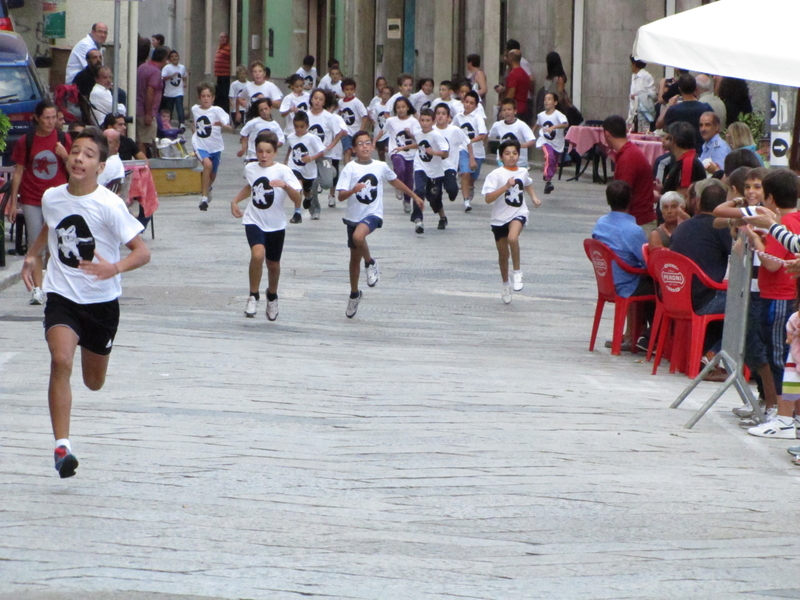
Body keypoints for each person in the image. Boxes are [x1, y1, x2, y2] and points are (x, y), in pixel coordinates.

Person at [20, 127, 151, 478]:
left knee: (94, 382)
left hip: (102, 303)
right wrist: (33, 255)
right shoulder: (52, 197)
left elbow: (142, 252)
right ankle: (62, 446)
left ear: (100, 166)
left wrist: (115, 267)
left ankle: (92, 369)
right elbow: (51, 225)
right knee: (60, 359)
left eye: (88, 154)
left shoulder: (109, 205)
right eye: (75, 151)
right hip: (62, 296)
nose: (79, 158)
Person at [671, 183, 777, 394]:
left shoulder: (683, 225)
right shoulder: (721, 226)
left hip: (676, 295)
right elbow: (737, 250)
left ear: (697, 202)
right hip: (704, 296)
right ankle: (713, 354)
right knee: (741, 311)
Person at [335, 131, 423, 318]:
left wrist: (414, 196)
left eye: (368, 143)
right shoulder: (349, 168)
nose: (365, 146)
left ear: (373, 146)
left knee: (358, 236)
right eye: (360, 144)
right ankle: (354, 294)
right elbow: (340, 195)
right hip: (353, 216)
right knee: (353, 258)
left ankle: (371, 262)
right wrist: (353, 190)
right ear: (354, 148)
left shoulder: (380, 166)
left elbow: (395, 181)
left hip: (373, 214)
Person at [742, 169, 800, 438]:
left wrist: (756, 240)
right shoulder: (793, 220)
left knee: (782, 359)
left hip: (779, 297)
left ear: (771, 199)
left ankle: (783, 414)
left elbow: (771, 263)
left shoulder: (787, 222)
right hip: (788, 297)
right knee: (788, 360)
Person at [230, 131, 302, 321]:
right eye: (260, 151)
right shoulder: (251, 168)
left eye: (268, 152)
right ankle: (253, 295)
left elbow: (298, 199)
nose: (263, 156)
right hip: (254, 220)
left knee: (273, 264)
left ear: (275, 152)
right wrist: (235, 201)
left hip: (276, 224)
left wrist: (285, 186)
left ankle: (272, 295)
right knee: (257, 254)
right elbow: (252, 186)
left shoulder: (284, 171)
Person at [5, 100, 71, 305]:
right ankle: (37, 288)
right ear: (37, 118)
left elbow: (75, 168)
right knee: (35, 243)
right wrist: (13, 203)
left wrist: (65, 155)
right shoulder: (27, 140)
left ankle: (52, 285)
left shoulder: (63, 138)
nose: (51, 122)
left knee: (55, 244)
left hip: (58, 198)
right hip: (32, 197)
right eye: (46, 118)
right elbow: (18, 171)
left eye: (54, 117)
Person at [483, 139, 541, 304]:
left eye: (515, 153)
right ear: (501, 156)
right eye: (507, 154)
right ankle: (505, 283)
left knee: (512, 238)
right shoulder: (495, 175)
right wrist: (505, 187)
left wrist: (534, 198)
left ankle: (517, 272)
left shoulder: (522, 171)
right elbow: (488, 198)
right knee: (502, 254)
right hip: (499, 217)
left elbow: (527, 184)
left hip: (518, 213)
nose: (511, 157)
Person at [592, 180, 652, 298]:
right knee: (663, 288)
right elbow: (648, 261)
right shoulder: (634, 231)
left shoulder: (600, 223)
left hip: (606, 282)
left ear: (608, 200)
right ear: (630, 200)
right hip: (628, 285)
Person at [602, 115, 657, 234]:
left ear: (606, 134)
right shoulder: (630, 153)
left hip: (638, 223)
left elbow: (622, 198)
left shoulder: (628, 158)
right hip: (638, 221)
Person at [305, 88, 347, 219]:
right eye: (315, 98)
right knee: (313, 183)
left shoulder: (329, 117)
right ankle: (315, 209)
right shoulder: (306, 115)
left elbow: (339, 133)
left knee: (327, 183)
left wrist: (331, 146)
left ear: (324, 102)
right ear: (311, 99)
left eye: (321, 99)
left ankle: (332, 171)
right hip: (310, 156)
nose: (317, 101)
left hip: (325, 155)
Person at [376, 96, 421, 215]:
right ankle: (398, 186)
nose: (401, 110)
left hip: (410, 153)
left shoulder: (413, 121)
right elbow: (383, 131)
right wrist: (374, 140)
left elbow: (418, 138)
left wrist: (409, 134)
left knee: (409, 177)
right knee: (399, 168)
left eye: (403, 107)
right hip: (396, 151)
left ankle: (407, 200)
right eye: (398, 107)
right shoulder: (391, 121)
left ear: (407, 108)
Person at [191, 82, 232, 211]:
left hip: (215, 147)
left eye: (209, 96)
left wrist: (224, 126)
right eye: (203, 96)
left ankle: (207, 187)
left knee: (212, 174)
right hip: (200, 145)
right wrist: (195, 133)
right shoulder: (194, 109)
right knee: (207, 165)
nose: (206, 98)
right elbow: (194, 123)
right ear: (199, 97)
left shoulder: (217, 110)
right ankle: (203, 199)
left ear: (213, 97)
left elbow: (228, 125)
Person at [411, 108, 450, 233]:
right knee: (419, 190)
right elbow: (417, 144)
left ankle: (442, 217)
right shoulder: (418, 134)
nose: (424, 123)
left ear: (433, 122)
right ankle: (418, 220)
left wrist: (433, 152)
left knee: (434, 198)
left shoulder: (437, 135)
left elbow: (445, 153)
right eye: (422, 120)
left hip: (435, 172)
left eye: (428, 120)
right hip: (420, 167)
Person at [284, 111, 326, 224]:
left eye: (301, 127)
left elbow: (322, 152)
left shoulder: (312, 138)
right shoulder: (291, 137)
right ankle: (297, 213)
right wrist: (286, 160)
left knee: (307, 190)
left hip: (309, 170)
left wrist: (311, 158)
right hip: (295, 167)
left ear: (307, 126)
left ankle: (308, 197)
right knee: (298, 187)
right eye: (296, 127)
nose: (299, 129)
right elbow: (291, 148)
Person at [657, 74, 713, 152]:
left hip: (680, 152)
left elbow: (658, 124)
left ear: (680, 89)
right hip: (701, 151)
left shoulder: (674, 110)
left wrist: (669, 105)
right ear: (695, 88)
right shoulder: (706, 108)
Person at [434, 103, 472, 207]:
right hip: (434, 167)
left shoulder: (455, 130)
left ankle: (452, 191)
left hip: (449, 166)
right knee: (435, 194)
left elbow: (468, 142)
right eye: (438, 113)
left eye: (443, 113)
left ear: (448, 117)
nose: (440, 116)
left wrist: (471, 159)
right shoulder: (431, 130)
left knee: (452, 189)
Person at [453, 91, 486, 208]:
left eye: (471, 103)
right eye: (466, 102)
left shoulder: (478, 118)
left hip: (478, 152)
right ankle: (466, 201)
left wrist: (470, 141)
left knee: (473, 177)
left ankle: (470, 186)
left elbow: (482, 135)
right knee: (465, 173)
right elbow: (453, 130)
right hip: (463, 150)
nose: (468, 105)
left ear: (476, 106)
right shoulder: (458, 117)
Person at [533, 91, 569, 195]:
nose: (546, 101)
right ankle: (547, 176)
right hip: (545, 140)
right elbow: (537, 124)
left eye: (549, 99)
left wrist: (554, 127)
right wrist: (531, 133)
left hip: (557, 143)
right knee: (549, 155)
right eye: (545, 99)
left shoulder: (559, 115)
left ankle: (549, 181)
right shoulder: (541, 115)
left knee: (554, 162)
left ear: (555, 102)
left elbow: (565, 124)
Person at [136, 47, 169, 156]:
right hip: (146, 111)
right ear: (164, 59)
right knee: (145, 142)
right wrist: (149, 114)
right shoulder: (155, 72)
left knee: (139, 139)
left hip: (137, 108)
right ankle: (144, 167)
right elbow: (150, 92)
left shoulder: (142, 67)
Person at [660, 121, 706, 199]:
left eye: (667, 138)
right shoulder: (687, 159)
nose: (663, 140)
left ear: (673, 140)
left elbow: (682, 198)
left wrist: (659, 197)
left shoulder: (687, 163)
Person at [488, 99, 536, 170]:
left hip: (520, 162)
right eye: (504, 110)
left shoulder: (521, 125)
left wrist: (521, 145)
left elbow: (532, 140)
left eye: (509, 109)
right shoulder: (498, 125)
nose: (507, 112)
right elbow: (488, 136)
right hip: (503, 160)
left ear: (515, 111)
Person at [238, 98, 285, 162]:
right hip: (253, 155)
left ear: (271, 108)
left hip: (266, 157)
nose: (264, 112)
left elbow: (281, 140)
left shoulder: (275, 125)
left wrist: (270, 146)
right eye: (261, 110)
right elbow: (244, 133)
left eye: (266, 109)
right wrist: (243, 148)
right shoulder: (254, 122)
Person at [337, 78, 368, 163]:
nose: (349, 92)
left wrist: (361, 130)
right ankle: (347, 170)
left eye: (351, 89)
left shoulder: (357, 102)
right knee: (347, 151)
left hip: (356, 132)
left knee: (359, 152)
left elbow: (365, 116)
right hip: (346, 132)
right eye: (347, 89)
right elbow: (339, 114)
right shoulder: (340, 102)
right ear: (343, 90)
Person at [628, 56, 656, 132]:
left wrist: (638, 97)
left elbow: (652, 95)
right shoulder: (634, 76)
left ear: (634, 64)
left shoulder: (646, 76)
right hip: (634, 112)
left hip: (643, 114)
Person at [698, 111, 731, 175]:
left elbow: (721, 176)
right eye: (701, 125)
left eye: (707, 125)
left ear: (717, 127)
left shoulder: (719, 148)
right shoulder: (707, 146)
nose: (703, 129)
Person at [161, 50, 187, 127]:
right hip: (169, 93)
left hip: (179, 91)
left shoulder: (182, 67)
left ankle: (182, 123)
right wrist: (171, 76)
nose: (174, 58)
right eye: (172, 56)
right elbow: (163, 78)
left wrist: (185, 82)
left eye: (176, 56)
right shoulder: (167, 68)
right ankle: (167, 123)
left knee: (180, 107)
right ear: (169, 59)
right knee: (169, 109)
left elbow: (184, 76)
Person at [504, 50, 530, 123]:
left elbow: (511, 93)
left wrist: (503, 107)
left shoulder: (513, 74)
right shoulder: (524, 73)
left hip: (515, 109)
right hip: (524, 108)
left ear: (511, 58)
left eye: (508, 57)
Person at [371, 84, 393, 162]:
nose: (385, 96)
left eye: (388, 94)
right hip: (379, 131)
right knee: (380, 152)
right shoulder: (377, 105)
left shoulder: (392, 106)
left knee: (387, 148)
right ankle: (383, 164)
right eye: (384, 93)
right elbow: (373, 117)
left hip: (389, 132)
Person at [213, 32, 231, 112]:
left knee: (224, 96)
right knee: (218, 95)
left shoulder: (228, 48)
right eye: (221, 37)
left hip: (225, 75)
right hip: (219, 75)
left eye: (224, 37)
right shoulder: (220, 48)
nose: (222, 39)